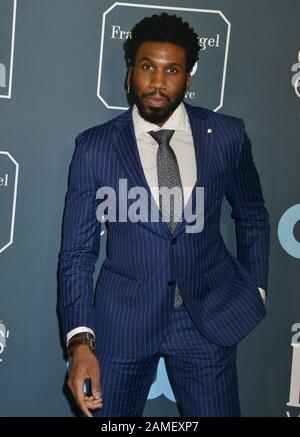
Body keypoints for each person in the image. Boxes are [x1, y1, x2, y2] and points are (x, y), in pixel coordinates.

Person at [58, 13, 270, 417]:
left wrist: (255, 286)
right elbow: (77, 253)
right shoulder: (95, 147)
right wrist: (81, 341)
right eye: (147, 68)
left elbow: (253, 214)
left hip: (208, 321)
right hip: (122, 323)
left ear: (188, 78)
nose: (157, 82)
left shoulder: (227, 136)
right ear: (130, 73)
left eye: (171, 70)